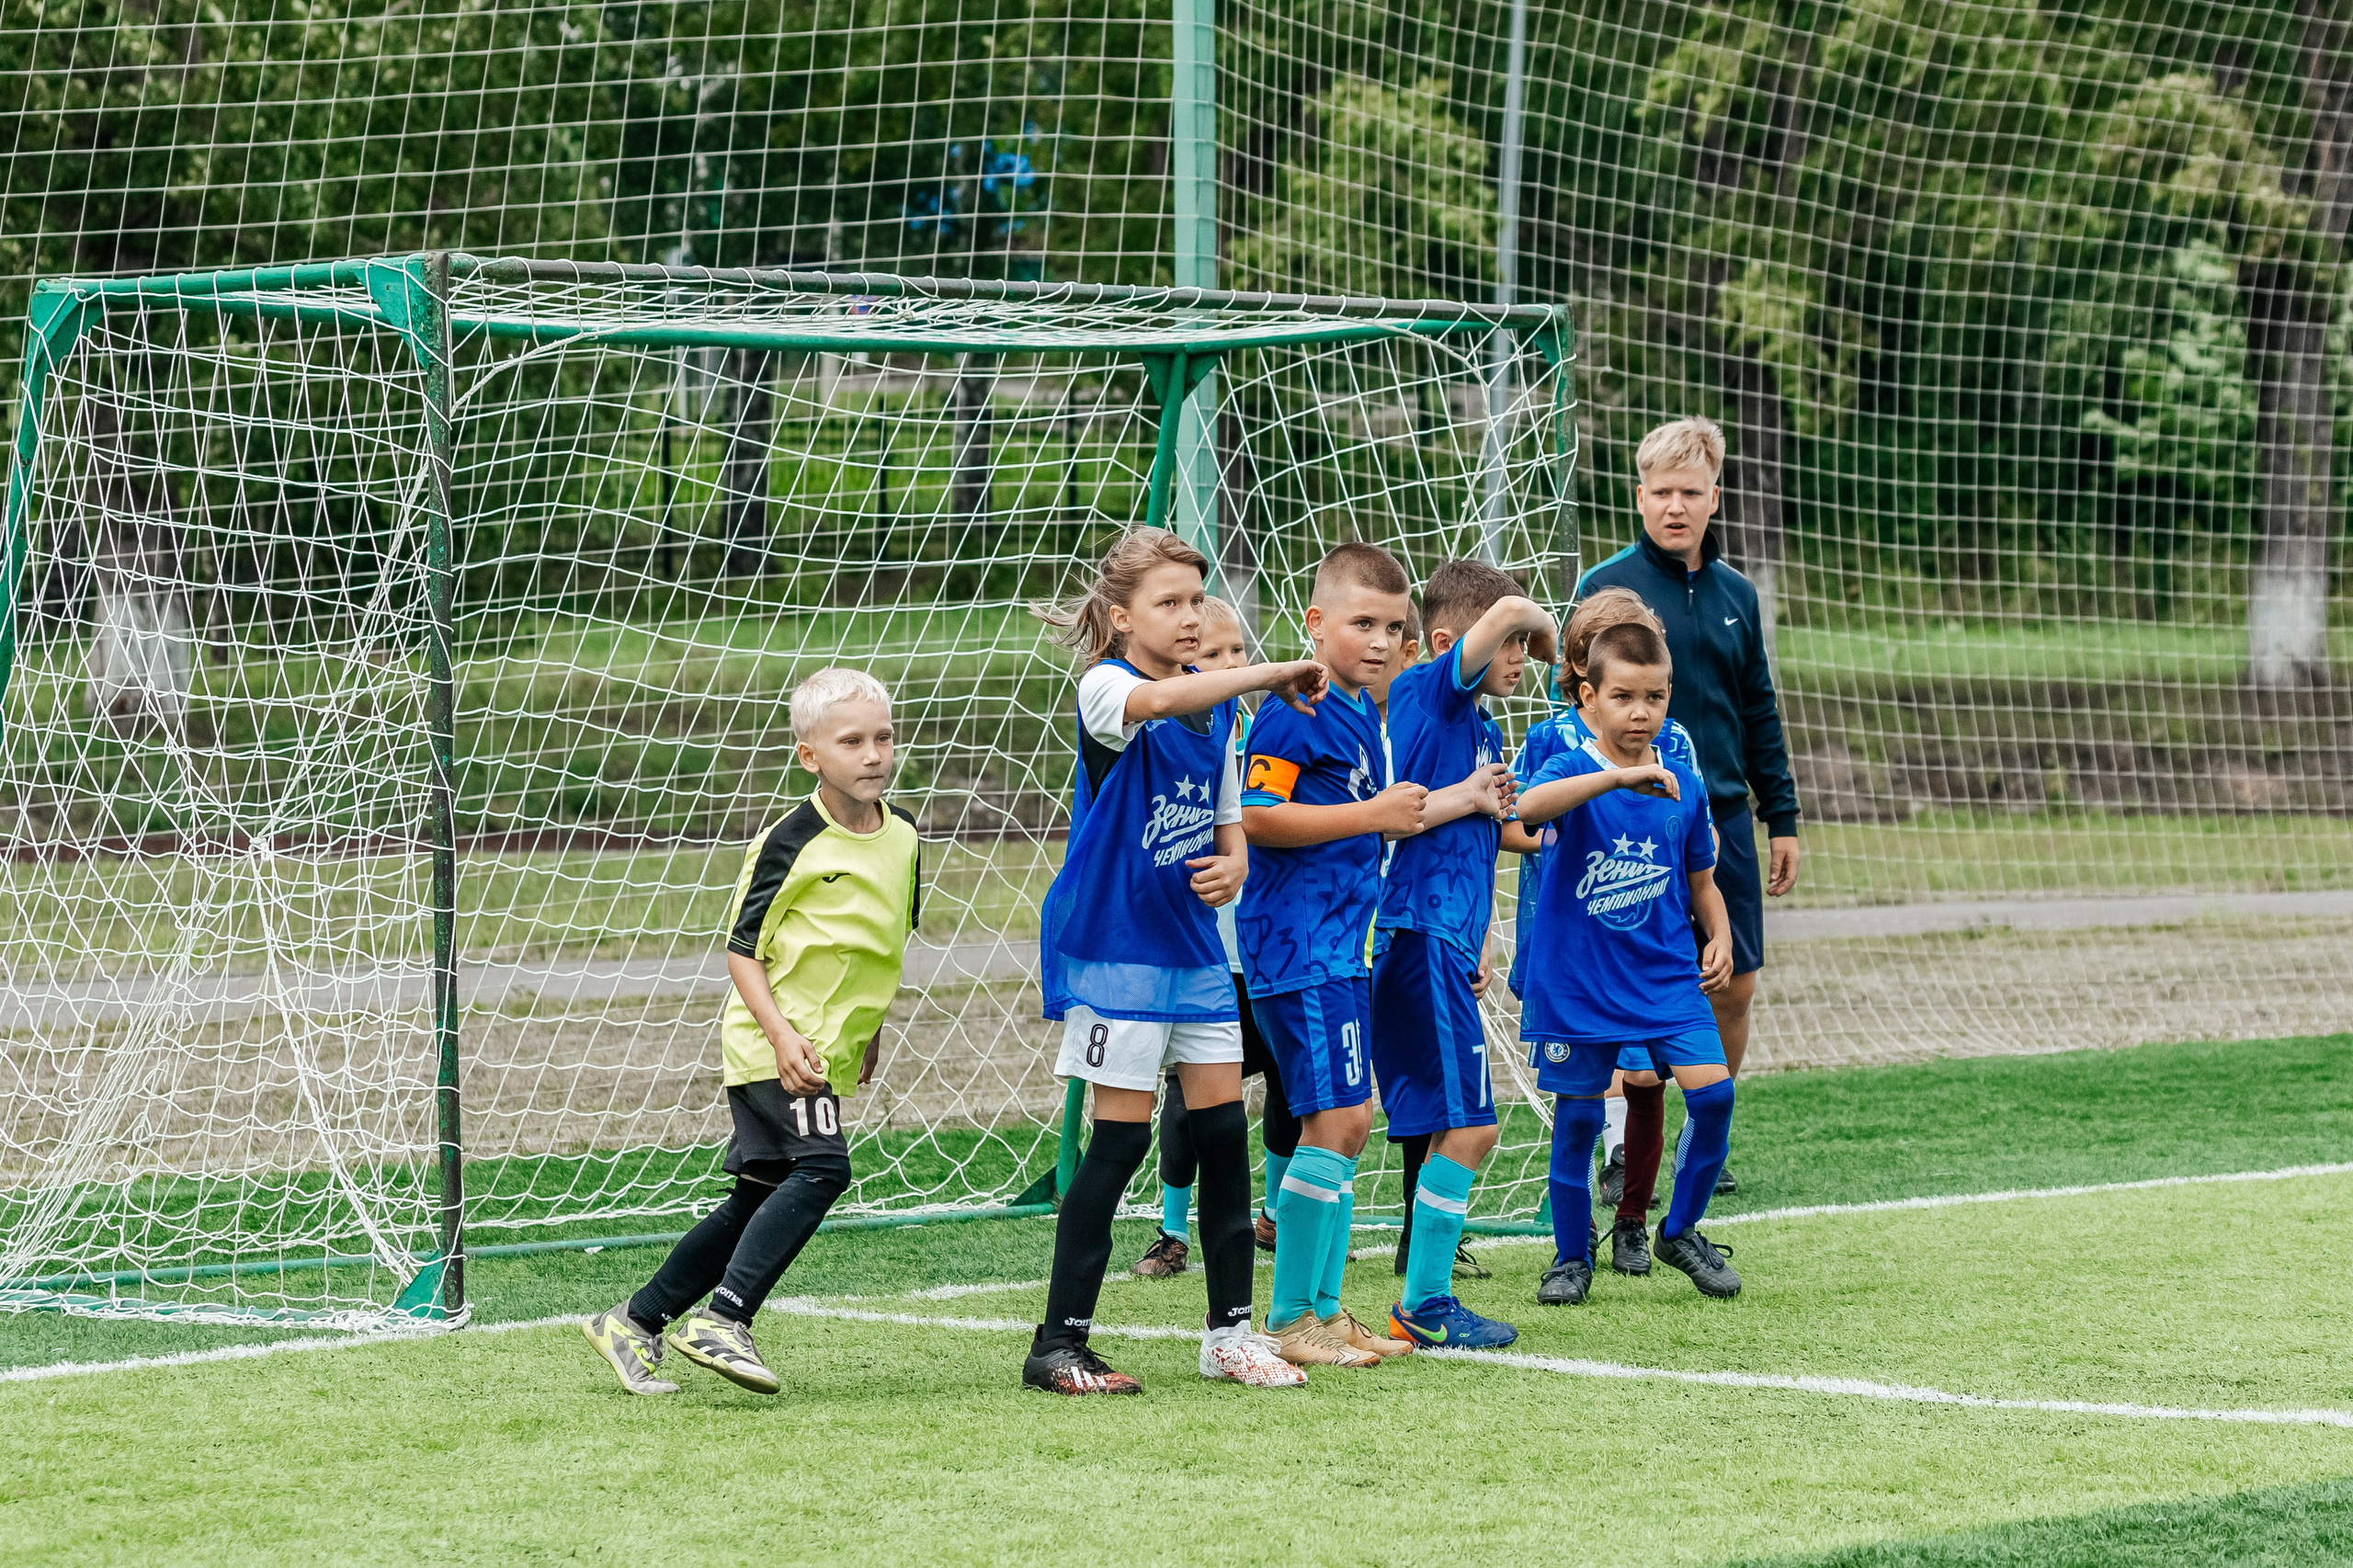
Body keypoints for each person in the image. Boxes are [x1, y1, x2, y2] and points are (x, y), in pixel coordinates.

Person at [1025, 528, 1329, 1396]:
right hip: (1119, 951)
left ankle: (1228, 1335)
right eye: (1169, 602)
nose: (1191, 616)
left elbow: (1226, 808)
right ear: (1121, 618)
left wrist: (1233, 859)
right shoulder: (1106, 687)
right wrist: (1270, 673)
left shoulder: (1212, 703)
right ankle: (1058, 1344)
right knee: (1118, 1142)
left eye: (1198, 599)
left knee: (1222, 1136)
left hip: (1194, 952)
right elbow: (1152, 708)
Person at [581, 667, 921, 1395]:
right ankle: (725, 1318)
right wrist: (781, 1038)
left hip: (833, 1045)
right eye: (852, 741)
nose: (873, 754)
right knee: (824, 1169)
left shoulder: (905, 836)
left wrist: (873, 1037)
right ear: (810, 755)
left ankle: (635, 1322)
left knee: (758, 1195)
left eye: (883, 738)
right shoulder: (791, 839)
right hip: (778, 1043)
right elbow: (742, 951)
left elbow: (882, 946)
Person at [1574, 417, 1801, 1196]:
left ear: (1714, 498)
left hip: (1725, 818)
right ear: (1639, 496)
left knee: (1730, 982)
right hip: (1627, 820)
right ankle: (1616, 1147)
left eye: (1691, 493)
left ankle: (1705, 1139)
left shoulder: (1738, 594)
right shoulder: (1606, 590)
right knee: (1620, 982)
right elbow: (1570, 704)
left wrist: (1786, 819)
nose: (1676, 506)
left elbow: (1760, 712)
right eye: (1662, 491)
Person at [1237, 541, 1443, 1369]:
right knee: (1342, 1119)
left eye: (1396, 627)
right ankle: (1289, 1318)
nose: (1382, 642)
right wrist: (1373, 818)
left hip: (1341, 951)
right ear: (1316, 624)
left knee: (1349, 1123)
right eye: (1363, 623)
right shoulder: (1298, 708)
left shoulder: (1364, 714)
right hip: (1298, 948)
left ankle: (1323, 1310)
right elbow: (1257, 815)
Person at [1514, 621, 1742, 1305]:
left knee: (1714, 1094)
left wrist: (1721, 936)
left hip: (1665, 974)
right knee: (1579, 1116)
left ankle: (1679, 1230)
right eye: (1623, 697)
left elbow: (1702, 879)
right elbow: (1526, 810)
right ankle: (1570, 1257)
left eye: (1655, 698)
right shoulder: (1570, 762)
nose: (1641, 713)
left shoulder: (1684, 781)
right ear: (1590, 696)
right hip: (1578, 977)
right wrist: (1614, 777)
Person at [1370, 560, 1549, 1350]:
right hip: (1415, 937)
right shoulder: (1430, 690)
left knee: (1456, 1125)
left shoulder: (1478, 723)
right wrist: (1555, 640)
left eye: (1521, 647)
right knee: (1471, 1129)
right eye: (1510, 646)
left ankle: (1420, 1295)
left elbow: (1487, 831)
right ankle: (1424, 1300)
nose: (1519, 658)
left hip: (1443, 942)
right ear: (1449, 643)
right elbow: (1511, 605)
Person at [1131, 597, 1302, 1276]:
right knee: (1190, 1100)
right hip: (1206, 955)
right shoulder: (1172, 736)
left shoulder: (1273, 733)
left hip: (1273, 948)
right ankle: (1173, 1230)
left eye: (1240, 653)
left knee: (1290, 1085)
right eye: (1216, 655)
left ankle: (1275, 1215)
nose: (1233, 664)